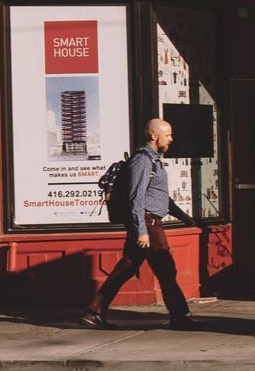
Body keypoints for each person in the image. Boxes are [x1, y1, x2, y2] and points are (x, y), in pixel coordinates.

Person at [81, 119, 200, 330]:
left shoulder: (154, 160)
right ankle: (180, 317)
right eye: (168, 134)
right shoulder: (143, 160)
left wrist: (184, 217)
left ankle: (94, 312)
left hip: (150, 220)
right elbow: (135, 198)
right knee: (166, 269)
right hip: (148, 222)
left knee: (126, 269)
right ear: (154, 136)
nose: (171, 138)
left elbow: (159, 196)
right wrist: (141, 231)